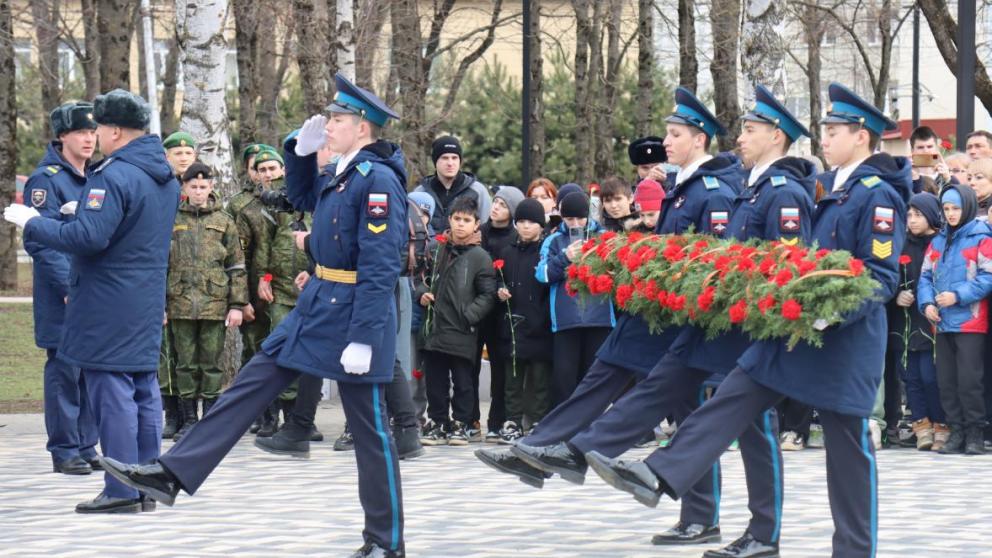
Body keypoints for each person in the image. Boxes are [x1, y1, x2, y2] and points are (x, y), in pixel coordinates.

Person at [584, 82, 910, 558]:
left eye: (835, 130)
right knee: (738, 389)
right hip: (795, 331)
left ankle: (854, 551)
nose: (825, 139)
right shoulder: (836, 189)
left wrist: (823, 312)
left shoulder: (876, 195)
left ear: (861, 136)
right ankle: (663, 472)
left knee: (848, 450)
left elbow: (879, 277)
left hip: (844, 341)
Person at [101, 73, 409, 558]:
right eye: (329, 118)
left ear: (364, 129)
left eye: (338, 119)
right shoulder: (343, 172)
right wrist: (299, 152)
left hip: (353, 314)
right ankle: (173, 472)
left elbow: (381, 264)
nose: (328, 124)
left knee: (370, 430)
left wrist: (366, 337)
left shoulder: (378, 182)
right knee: (251, 383)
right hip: (317, 306)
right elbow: (304, 197)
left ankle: (386, 543)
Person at [479, 86, 743, 550]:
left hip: (685, 315)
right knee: (612, 367)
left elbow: (714, 259)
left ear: (699, 139)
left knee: (687, 411)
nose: (666, 141)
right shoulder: (680, 185)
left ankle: (694, 512)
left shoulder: (712, 189)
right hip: (659, 308)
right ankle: (543, 448)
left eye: (674, 134)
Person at [5, 89, 179, 513]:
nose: (96, 135)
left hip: (107, 298)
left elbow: (90, 239)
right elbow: (129, 233)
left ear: (116, 130)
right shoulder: (165, 176)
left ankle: (120, 490)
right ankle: (146, 484)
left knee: (111, 390)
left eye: (99, 127)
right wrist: (76, 214)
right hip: (143, 295)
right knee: (143, 388)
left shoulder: (114, 174)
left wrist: (35, 223)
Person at [24, 101, 100, 475]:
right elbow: (40, 241)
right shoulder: (47, 180)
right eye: (81, 132)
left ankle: (87, 444)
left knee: (91, 368)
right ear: (62, 136)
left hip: (95, 290)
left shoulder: (97, 174)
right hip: (64, 294)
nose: (89, 138)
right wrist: (68, 287)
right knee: (65, 370)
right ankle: (65, 448)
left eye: (92, 132)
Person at [167, 162, 247, 441]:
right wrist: (161, 305)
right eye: (193, 187)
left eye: (203, 187)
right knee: (185, 363)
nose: (198, 192)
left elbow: (236, 265)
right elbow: (161, 264)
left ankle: (211, 419)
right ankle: (189, 419)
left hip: (215, 302)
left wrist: (237, 305)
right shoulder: (171, 218)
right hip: (180, 301)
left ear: (211, 187)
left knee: (212, 363)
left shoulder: (224, 221)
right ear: (184, 188)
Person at [416, 196, 497, 445]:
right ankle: (438, 421)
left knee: (463, 381)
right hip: (436, 327)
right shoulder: (436, 249)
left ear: (476, 224)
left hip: (463, 329)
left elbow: (488, 293)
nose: (461, 224)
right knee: (435, 381)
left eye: (467, 220)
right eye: (457, 219)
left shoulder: (480, 256)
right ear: (449, 219)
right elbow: (419, 278)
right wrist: (422, 293)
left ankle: (462, 423)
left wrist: (469, 315)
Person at [918, 184, 992, 455]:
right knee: (946, 380)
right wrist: (926, 303)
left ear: (968, 207)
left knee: (970, 379)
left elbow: (988, 276)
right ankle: (955, 431)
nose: (950, 214)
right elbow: (925, 276)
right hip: (942, 321)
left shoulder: (982, 238)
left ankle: (974, 432)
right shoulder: (937, 241)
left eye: (955, 208)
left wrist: (957, 296)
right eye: (946, 209)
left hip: (970, 322)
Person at [536, 191, 615, 406]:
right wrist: (565, 258)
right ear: (562, 217)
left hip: (599, 318)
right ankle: (561, 425)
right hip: (565, 320)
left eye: (580, 218)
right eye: (569, 219)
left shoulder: (605, 237)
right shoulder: (553, 240)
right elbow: (541, 275)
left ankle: (590, 425)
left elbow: (618, 272)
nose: (575, 223)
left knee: (593, 376)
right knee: (564, 377)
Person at [888, 193, 945, 450]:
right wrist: (896, 294)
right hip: (906, 321)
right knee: (910, 376)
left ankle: (941, 424)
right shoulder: (900, 243)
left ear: (932, 216)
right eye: (909, 215)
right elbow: (887, 276)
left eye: (918, 215)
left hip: (932, 319)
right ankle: (920, 425)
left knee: (931, 375)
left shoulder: (941, 243)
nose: (912, 220)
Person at [494, 198, 552, 442]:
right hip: (513, 322)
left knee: (540, 379)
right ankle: (512, 421)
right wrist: (500, 289)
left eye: (532, 222)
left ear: (541, 225)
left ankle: (539, 419)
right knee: (513, 379)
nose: (526, 227)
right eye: (522, 222)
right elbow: (498, 279)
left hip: (540, 323)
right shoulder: (507, 251)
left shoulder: (546, 251)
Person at [478, 185, 526, 441]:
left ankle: (497, 420)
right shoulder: (480, 232)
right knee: (469, 366)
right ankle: (469, 419)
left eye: (503, 204)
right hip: (477, 308)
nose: (496, 207)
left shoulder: (514, 238)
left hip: (501, 312)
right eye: (495, 202)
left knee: (500, 369)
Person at [413, 135, 491, 232]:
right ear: (435, 161)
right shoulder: (421, 192)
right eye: (445, 158)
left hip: (466, 247)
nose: (450, 163)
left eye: (454, 158)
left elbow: (485, 229)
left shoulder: (478, 191)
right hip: (428, 247)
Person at [908, 126, 951, 195]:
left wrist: (948, 180)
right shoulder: (906, 177)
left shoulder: (947, 174)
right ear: (912, 151)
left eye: (930, 146)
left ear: (936, 149)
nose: (926, 151)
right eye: (920, 147)